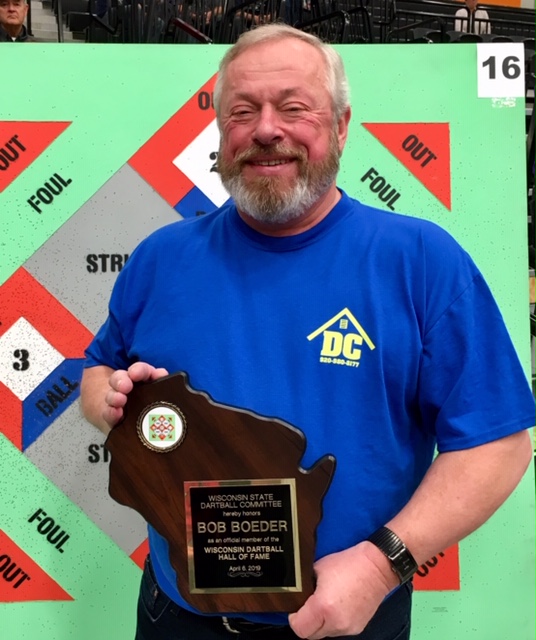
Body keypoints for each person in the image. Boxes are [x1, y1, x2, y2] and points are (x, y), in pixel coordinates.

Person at [80, 23, 535, 640]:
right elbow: (98, 373)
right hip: (176, 616)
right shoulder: (160, 259)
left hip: (352, 621)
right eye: (243, 111)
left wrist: (379, 566)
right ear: (221, 132)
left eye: (294, 108)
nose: (267, 129)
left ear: (341, 126)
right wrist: (107, 398)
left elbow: (499, 444)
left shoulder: (421, 262)